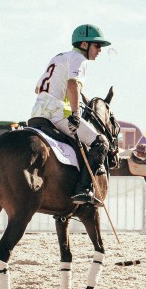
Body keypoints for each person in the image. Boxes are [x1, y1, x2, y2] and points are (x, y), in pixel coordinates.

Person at [31, 24, 112, 205]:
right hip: (58, 113)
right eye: (97, 45)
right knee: (101, 143)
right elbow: (72, 84)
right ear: (84, 44)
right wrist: (75, 113)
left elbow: (37, 88)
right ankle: (84, 189)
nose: (99, 50)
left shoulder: (58, 57)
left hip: (36, 112)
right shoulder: (78, 59)